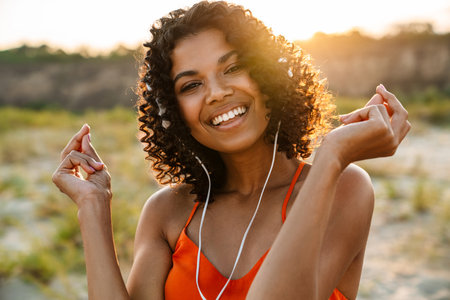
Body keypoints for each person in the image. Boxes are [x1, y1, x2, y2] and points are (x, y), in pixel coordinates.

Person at [52, 1, 411, 299]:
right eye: (192, 84)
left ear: (268, 75)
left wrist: (332, 156)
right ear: (175, 112)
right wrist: (92, 207)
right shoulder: (169, 212)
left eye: (234, 67)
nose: (217, 93)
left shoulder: (343, 187)